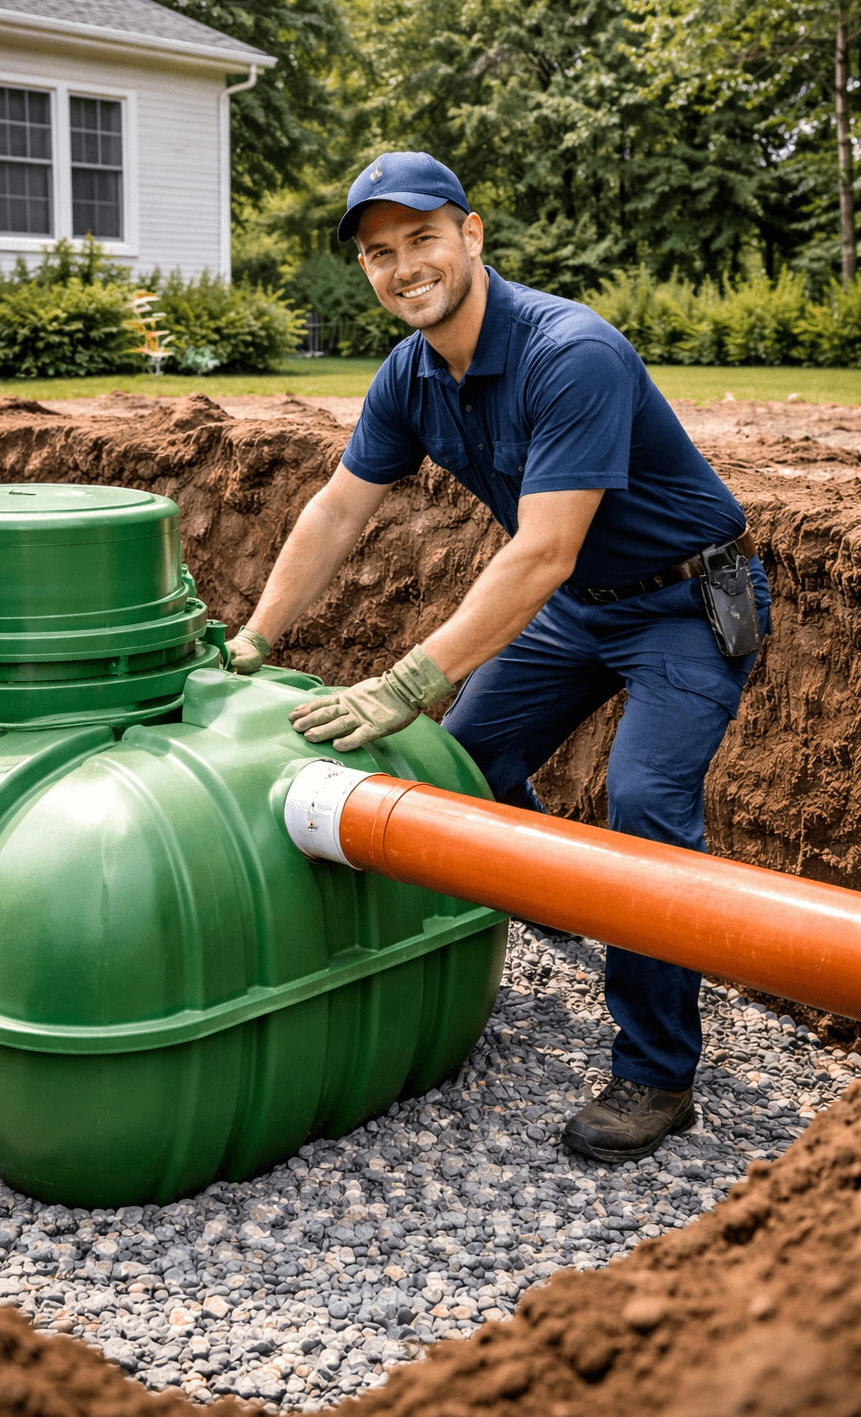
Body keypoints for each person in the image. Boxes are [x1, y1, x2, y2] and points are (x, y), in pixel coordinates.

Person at [224, 151, 768, 1164]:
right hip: (581, 605)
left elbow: (542, 548)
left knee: (646, 810)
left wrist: (411, 680)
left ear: (472, 235)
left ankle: (656, 1074)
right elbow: (340, 509)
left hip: (688, 601)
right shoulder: (412, 373)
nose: (403, 266)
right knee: (465, 767)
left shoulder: (573, 354)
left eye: (422, 237)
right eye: (380, 254)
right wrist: (257, 638)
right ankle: (567, 890)